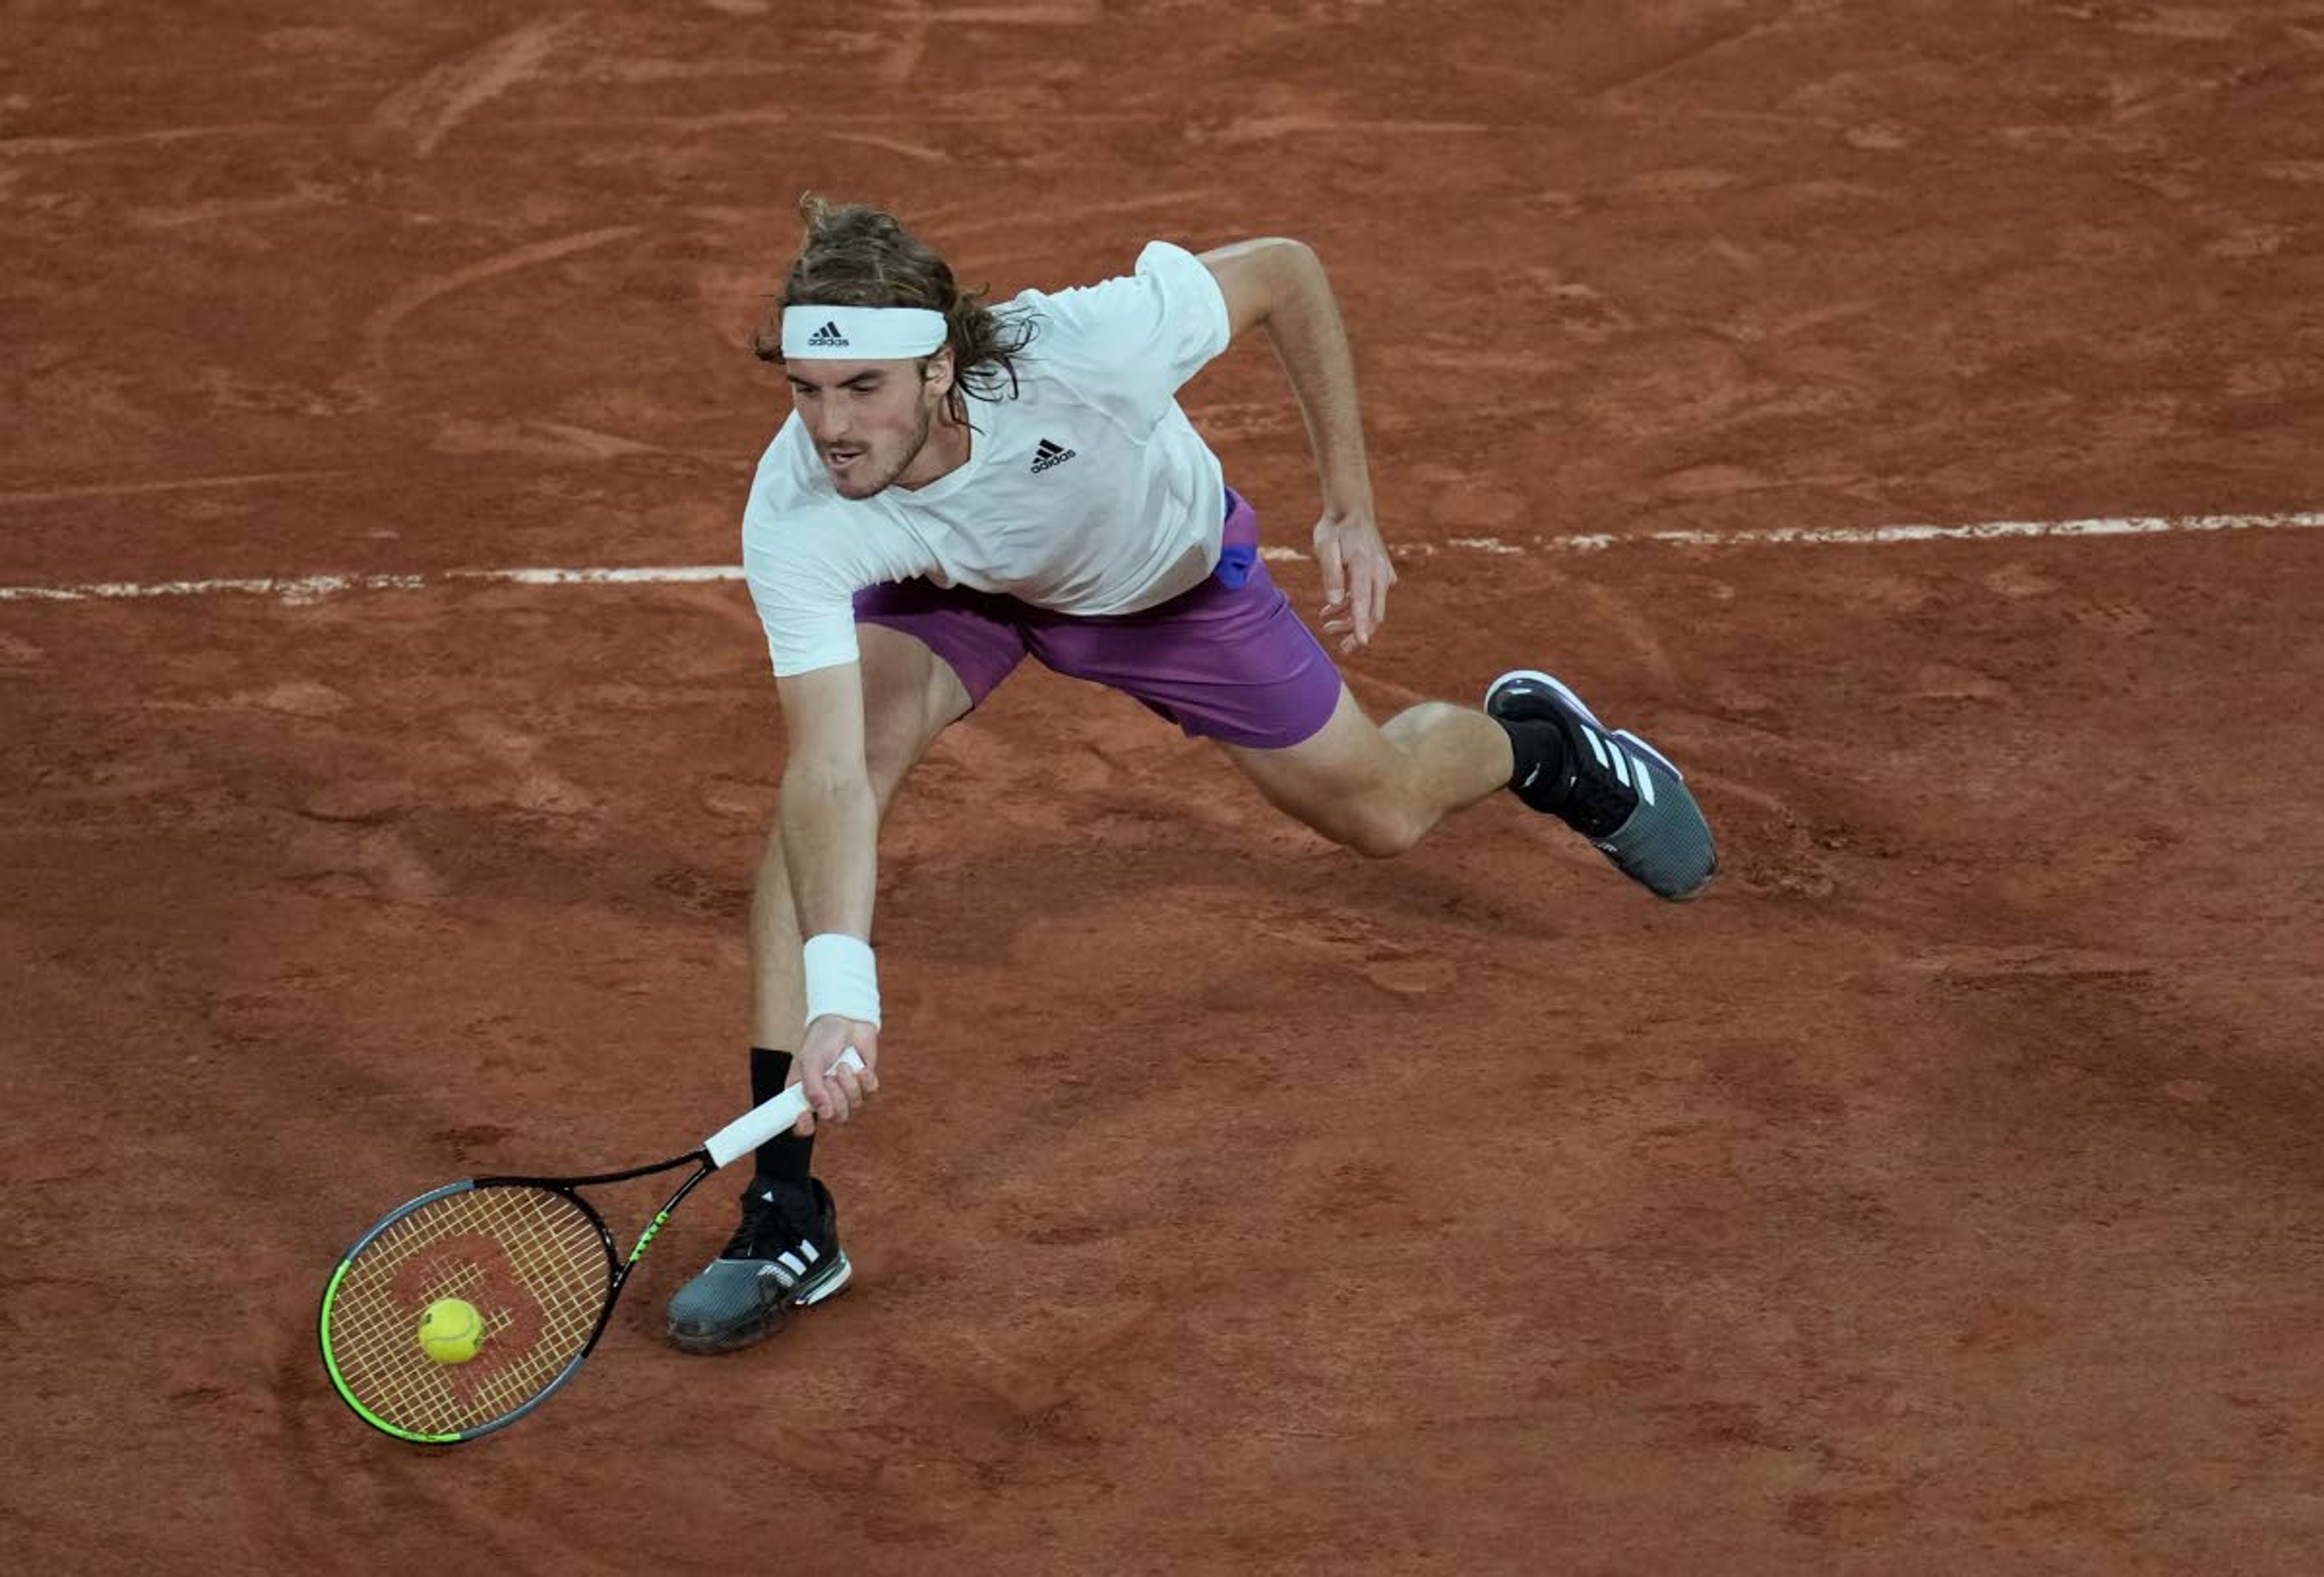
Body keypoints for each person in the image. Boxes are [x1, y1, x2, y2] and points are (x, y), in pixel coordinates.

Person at [663, 194, 1716, 1354]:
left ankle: (1545, 748)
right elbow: (825, 778)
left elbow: (1287, 272)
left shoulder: (1085, 350)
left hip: (1164, 598)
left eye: (863, 389)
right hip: (948, 587)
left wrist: (1350, 505)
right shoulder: (806, 500)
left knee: (1382, 811)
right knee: (812, 824)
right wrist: (842, 998)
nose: (830, 427)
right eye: (808, 391)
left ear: (944, 367)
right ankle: (785, 1209)